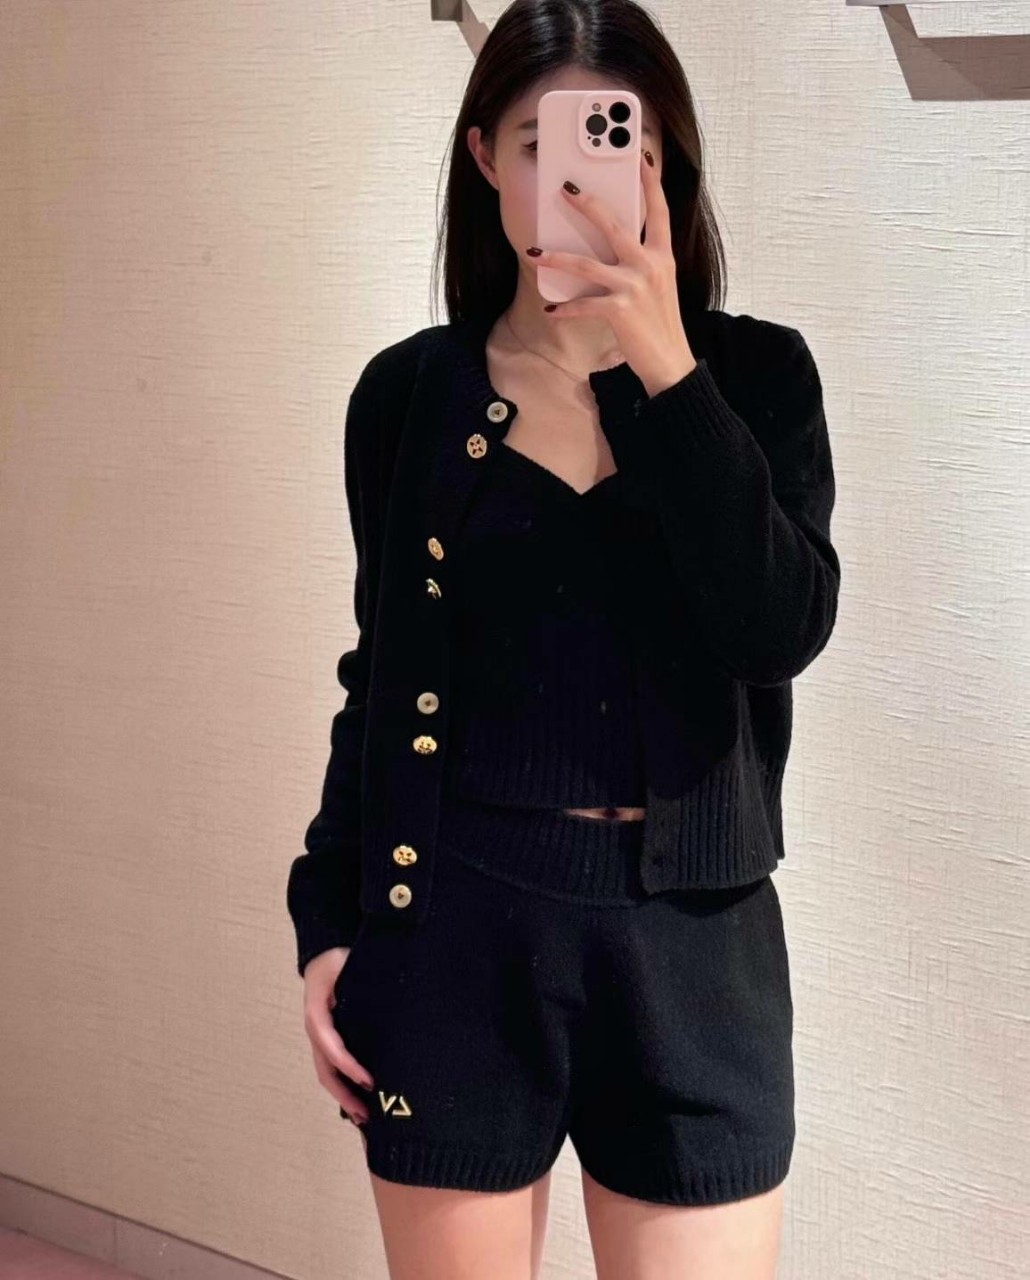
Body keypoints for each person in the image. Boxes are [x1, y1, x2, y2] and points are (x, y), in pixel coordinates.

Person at [288, 4, 840, 1278]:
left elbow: (775, 629)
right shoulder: (408, 396)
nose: (571, 179)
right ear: (484, 154)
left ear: (661, 160)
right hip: (453, 938)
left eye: (607, 142)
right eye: (536, 143)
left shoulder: (757, 380)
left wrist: (664, 369)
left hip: (694, 954)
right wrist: (327, 915)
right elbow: (379, 677)